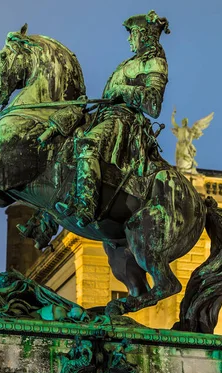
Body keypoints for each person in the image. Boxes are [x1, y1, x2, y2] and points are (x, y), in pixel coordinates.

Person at [55, 11, 170, 227]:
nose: (129, 38)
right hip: (106, 117)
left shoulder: (155, 63)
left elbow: (153, 105)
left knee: (88, 144)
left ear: (143, 35)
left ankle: (86, 205)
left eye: (132, 33)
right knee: (63, 144)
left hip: (124, 123)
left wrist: (122, 90)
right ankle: (46, 222)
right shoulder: (129, 62)